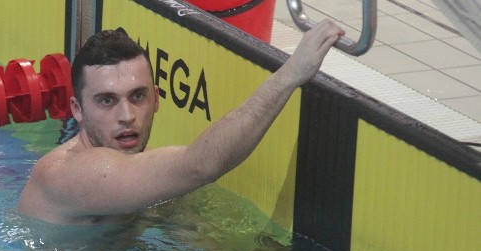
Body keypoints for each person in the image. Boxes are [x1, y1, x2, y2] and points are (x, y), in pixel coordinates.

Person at [18, 19, 345, 224]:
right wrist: (290, 75)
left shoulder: (133, 170)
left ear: (157, 99)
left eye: (138, 96)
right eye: (107, 100)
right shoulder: (76, 172)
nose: (127, 116)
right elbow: (199, 166)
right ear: (77, 109)